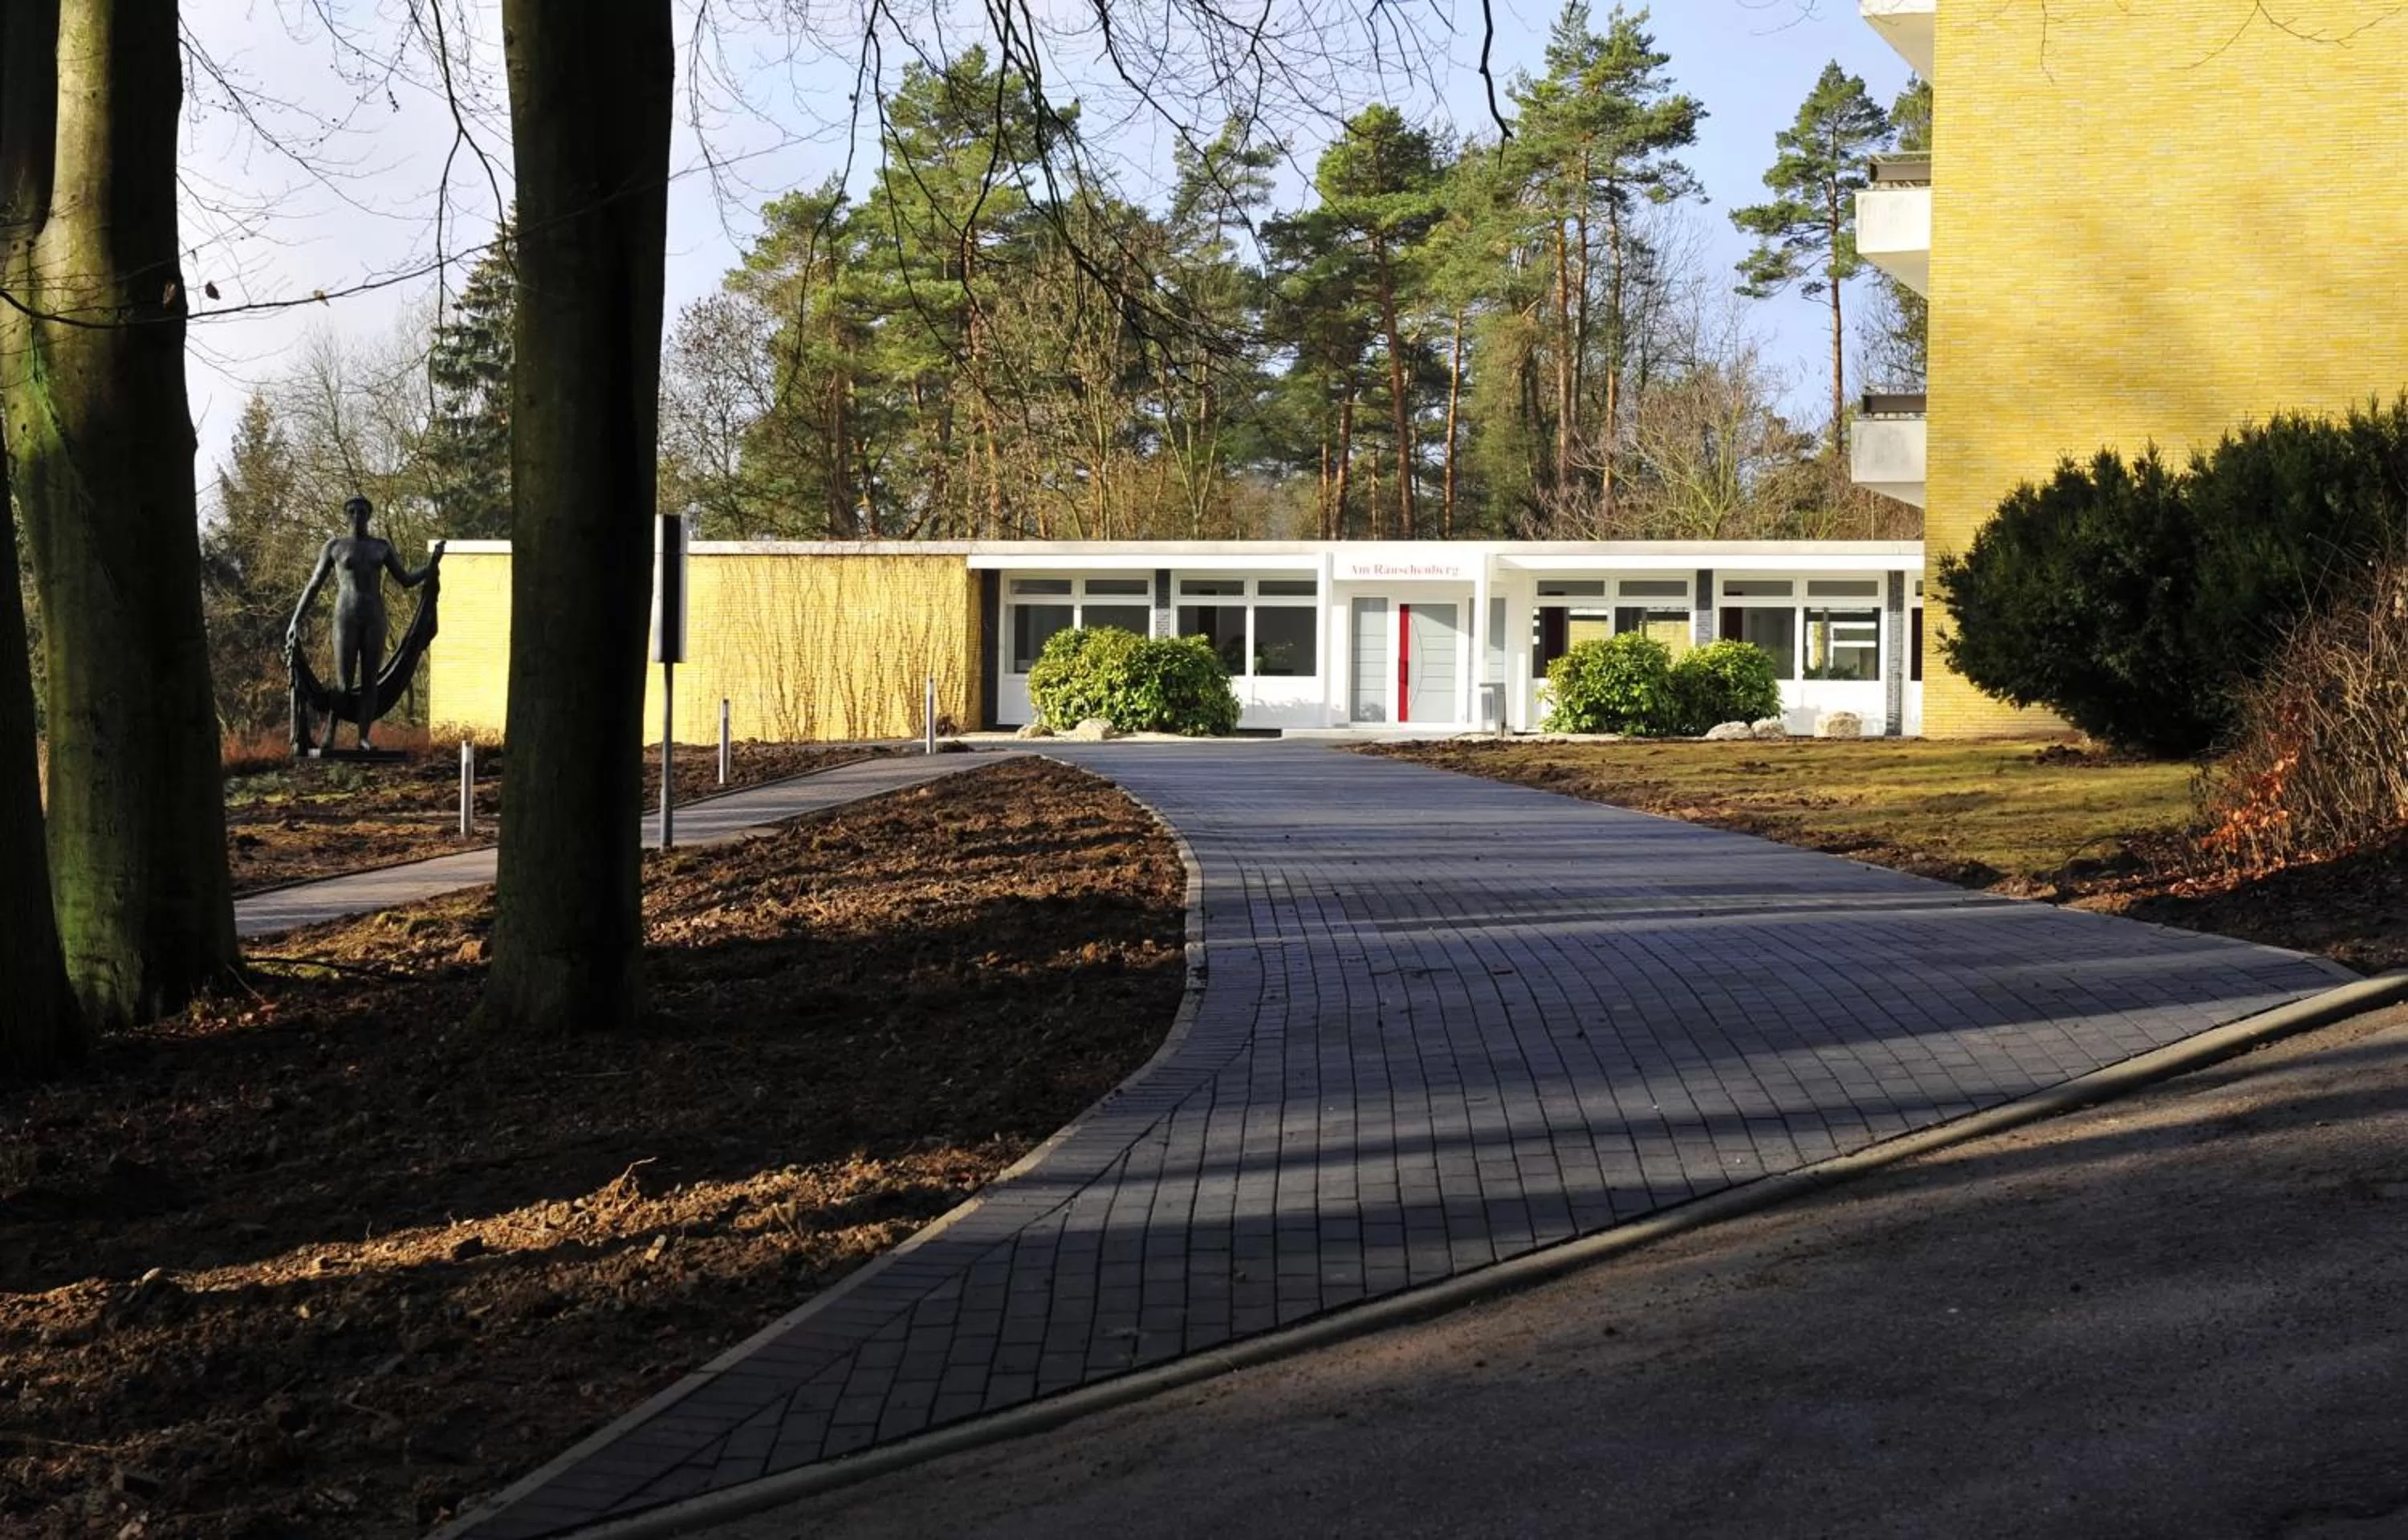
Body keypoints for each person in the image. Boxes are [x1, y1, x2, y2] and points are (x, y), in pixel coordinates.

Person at [286, 497, 444, 750]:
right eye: (352, 511)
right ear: (346, 515)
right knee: (343, 682)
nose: (357, 515)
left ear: (369, 515)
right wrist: (295, 620)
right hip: (345, 617)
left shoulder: (381, 547)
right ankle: (330, 732)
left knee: (370, 680)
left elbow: (404, 579)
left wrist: (432, 565)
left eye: (362, 511)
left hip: (374, 617)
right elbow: (314, 584)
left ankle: (363, 737)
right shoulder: (335, 547)